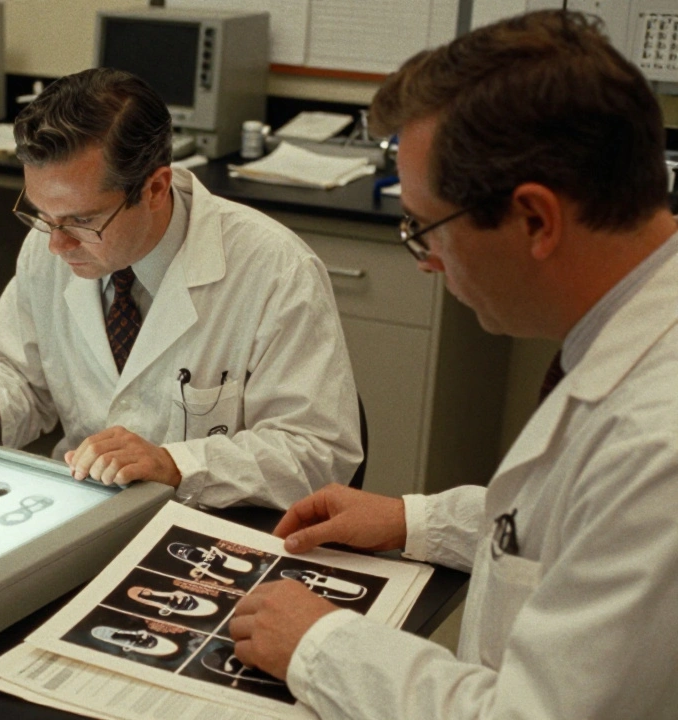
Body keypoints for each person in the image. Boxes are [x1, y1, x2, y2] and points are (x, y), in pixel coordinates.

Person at [229, 11, 678, 718]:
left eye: (424, 227)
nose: (427, 261)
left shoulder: (658, 441)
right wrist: (419, 521)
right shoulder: (633, 323)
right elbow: (578, 527)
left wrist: (319, 644)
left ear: (535, 220)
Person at [0, 68, 362, 509]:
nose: (56, 243)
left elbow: (318, 453)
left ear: (155, 188)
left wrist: (175, 465)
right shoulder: (50, 243)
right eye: (41, 214)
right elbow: (21, 375)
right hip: (84, 505)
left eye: (81, 221)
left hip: (213, 525)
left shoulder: (276, 271)